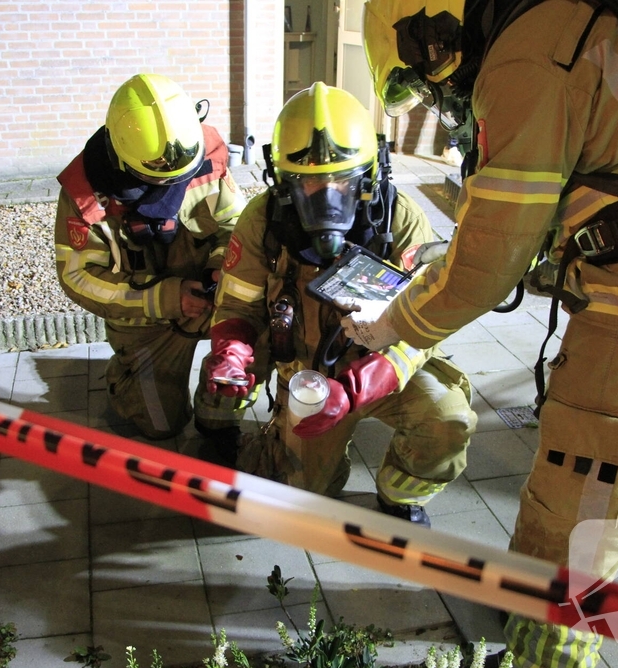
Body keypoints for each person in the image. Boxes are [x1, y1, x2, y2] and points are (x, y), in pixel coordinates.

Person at [356, 0, 618, 668]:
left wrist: (393, 325)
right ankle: (531, 615)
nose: (438, 97)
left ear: (434, 34)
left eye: (426, 78)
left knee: (578, 519)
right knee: (597, 483)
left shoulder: (524, 55)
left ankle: (545, 666)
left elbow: (485, 266)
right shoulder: (567, 19)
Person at [200, 81, 477, 527]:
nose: (326, 200)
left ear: (370, 173)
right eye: (308, 185)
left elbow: (429, 320)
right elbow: (238, 305)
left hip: (380, 365)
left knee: (448, 420)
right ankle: (260, 444)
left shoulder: (401, 220)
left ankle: (399, 494)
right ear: (282, 181)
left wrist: (358, 387)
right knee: (300, 496)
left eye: (341, 182)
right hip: (306, 367)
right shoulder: (263, 221)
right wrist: (233, 355)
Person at [54, 73, 245, 442]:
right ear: (120, 157)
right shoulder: (85, 194)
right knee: (161, 426)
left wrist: (219, 267)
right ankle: (125, 374)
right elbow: (78, 278)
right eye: (158, 175)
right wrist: (168, 298)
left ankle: (216, 409)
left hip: (212, 295)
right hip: (148, 320)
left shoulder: (201, 150)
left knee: (271, 320)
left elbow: (235, 226)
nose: (173, 182)